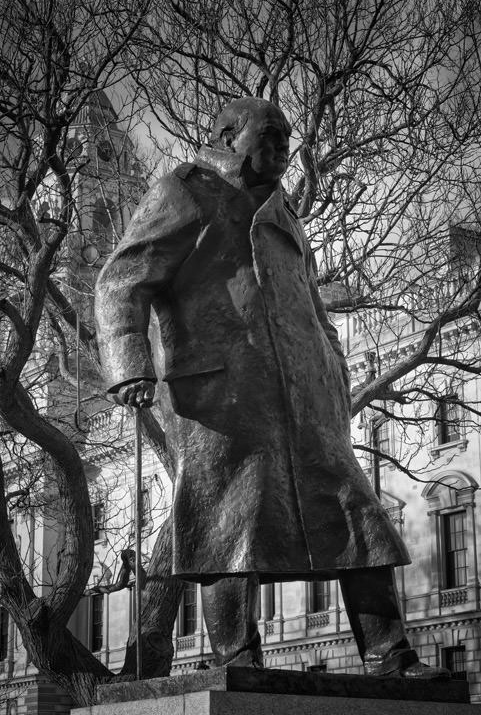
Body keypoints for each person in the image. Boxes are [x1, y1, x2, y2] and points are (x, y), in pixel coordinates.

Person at [95, 97, 448, 678]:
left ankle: (390, 653)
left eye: (287, 139)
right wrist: (129, 362)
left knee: (356, 515)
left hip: (304, 395)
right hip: (220, 395)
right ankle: (238, 659)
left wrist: (333, 369)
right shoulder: (187, 191)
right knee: (227, 524)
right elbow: (121, 280)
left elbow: (312, 304)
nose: (282, 149)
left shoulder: (284, 209)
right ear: (227, 138)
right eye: (269, 137)